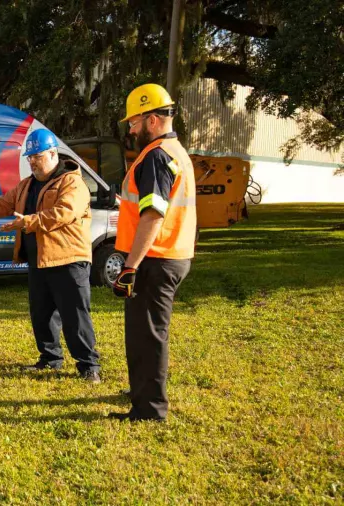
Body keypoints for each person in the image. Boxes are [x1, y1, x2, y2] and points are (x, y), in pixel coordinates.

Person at [0, 128, 102, 383]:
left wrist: (28, 222)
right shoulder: (27, 185)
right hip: (39, 260)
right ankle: (50, 360)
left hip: (68, 260)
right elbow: (2, 204)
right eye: (29, 158)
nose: (32, 162)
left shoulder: (72, 182)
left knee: (75, 316)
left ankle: (88, 366)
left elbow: (64, 213)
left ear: (52, 154)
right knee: (42, 314)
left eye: (36, 156)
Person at [109, 83, 197, 422]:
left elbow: (153, 214)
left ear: (151, 119)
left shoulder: (156, 156)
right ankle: (143, 392)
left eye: (133, 122)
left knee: (147, 335)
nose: (130, 130)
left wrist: (130, 266)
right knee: (148, 331)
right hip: (171, 253)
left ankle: (149, 409)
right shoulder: (176, 151)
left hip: (155, 258)